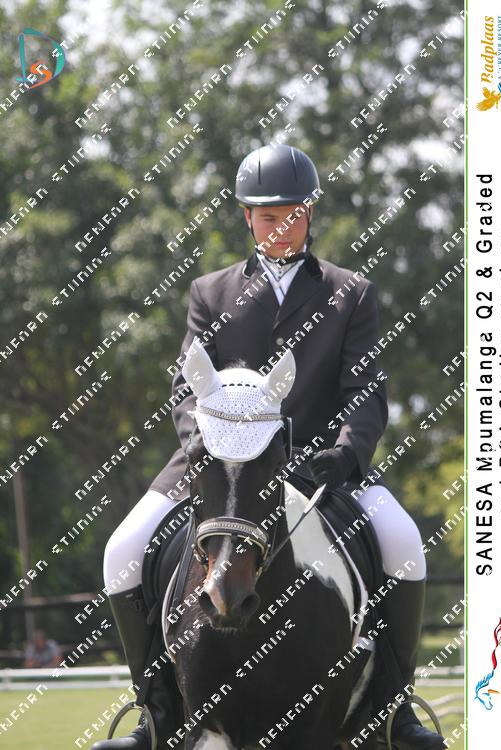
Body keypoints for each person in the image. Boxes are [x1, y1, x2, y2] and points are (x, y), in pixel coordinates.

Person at [93, 144, 445, 750]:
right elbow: (187, 388)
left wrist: (346, 454)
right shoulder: (210, 292)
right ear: (247, 218)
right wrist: (204, 446)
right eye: (267, 216)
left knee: (404, 543)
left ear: (310, 213)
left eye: (292, 214)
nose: (280, 227)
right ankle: (154, 714)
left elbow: (365, 393)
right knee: (121, 552)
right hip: (218, 465)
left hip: (320, 465)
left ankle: (395, 711)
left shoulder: (350, 292)